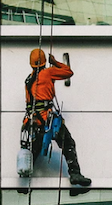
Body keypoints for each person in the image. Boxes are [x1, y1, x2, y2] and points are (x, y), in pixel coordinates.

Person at [22, 48, 90, 188]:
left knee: (35, 149)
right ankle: (75, 174)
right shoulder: (48, 73)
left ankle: (24, 181)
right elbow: (68, 72)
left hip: (34, 120)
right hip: (47, 119)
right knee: (68, 143)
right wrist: (55, 62)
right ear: (44, 62)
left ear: (31, 64)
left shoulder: (28, 80)